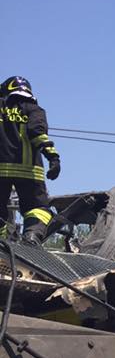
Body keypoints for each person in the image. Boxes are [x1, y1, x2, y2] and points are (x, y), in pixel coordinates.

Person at [0, 76, 59, 244]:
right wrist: (53, 157)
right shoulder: (34, 110)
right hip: (29, 171)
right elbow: (38, 134)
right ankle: (31, 236)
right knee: (38, 208)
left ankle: (2, 244)